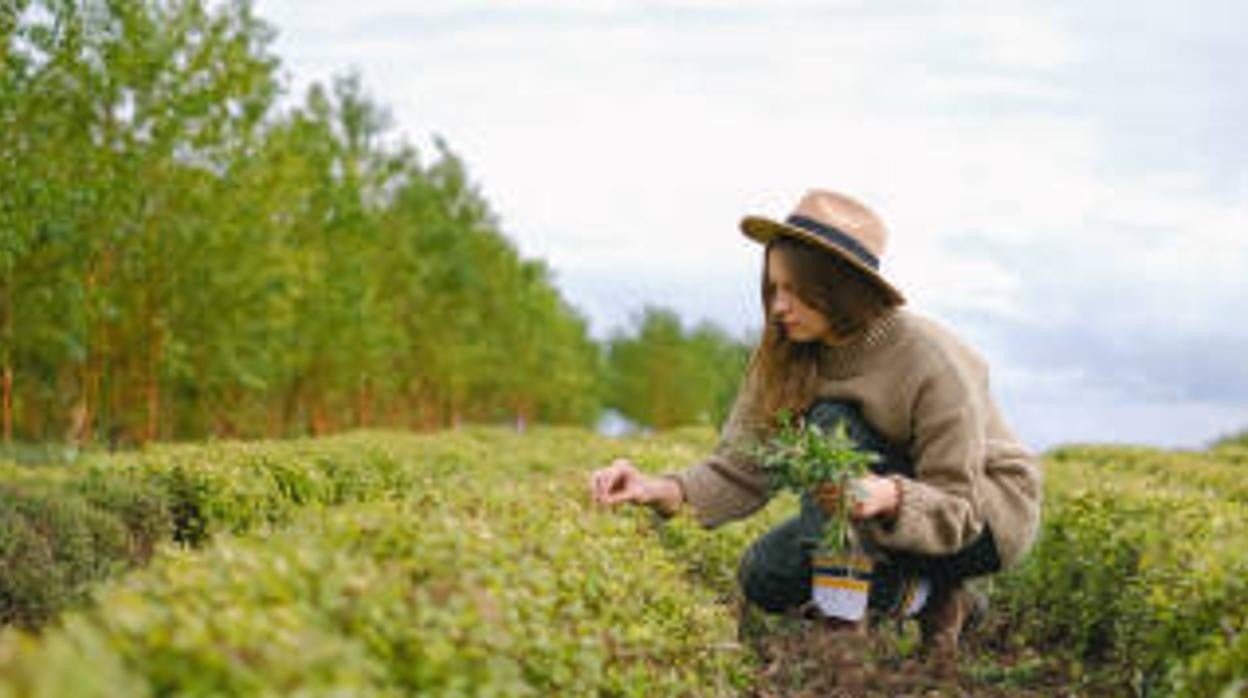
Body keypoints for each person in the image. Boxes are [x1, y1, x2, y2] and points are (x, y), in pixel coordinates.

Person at [589, 189, 1043, 669]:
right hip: (876, 510)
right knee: (767, 574)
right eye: (773, 290)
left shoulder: (931, 358)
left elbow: (959, 505)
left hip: (981, 517)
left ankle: (841, 639)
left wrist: (888, 495)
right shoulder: (784, 353)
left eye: (793, 291)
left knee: (830, 424)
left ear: (839, 288)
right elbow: (741, 467)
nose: (779, 307)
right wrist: (654, 487)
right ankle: (937, 601)